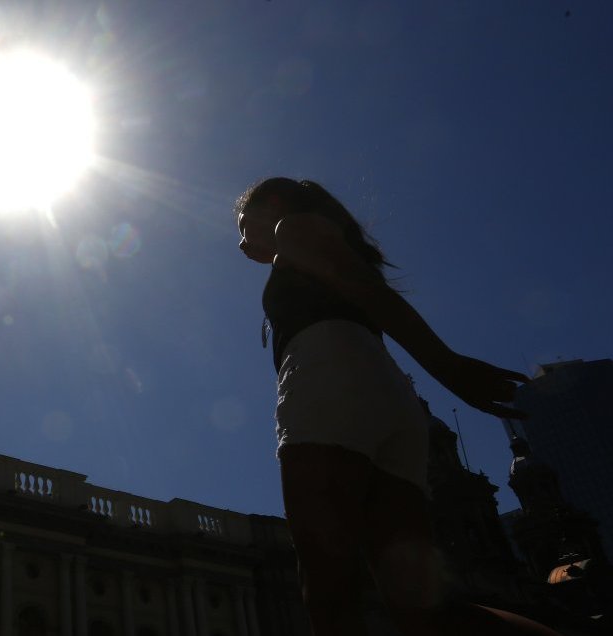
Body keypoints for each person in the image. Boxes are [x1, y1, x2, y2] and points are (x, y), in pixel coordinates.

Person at [234, 177, 561, 636]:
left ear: (272, 205)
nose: (241, 243)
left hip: (325, 384)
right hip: (390, 402)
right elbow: (369, 293)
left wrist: (449, 366)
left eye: (243, 226)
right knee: (422, 611)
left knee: (327, 583)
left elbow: (366, 290)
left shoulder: (294, 227)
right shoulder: (319, 236)